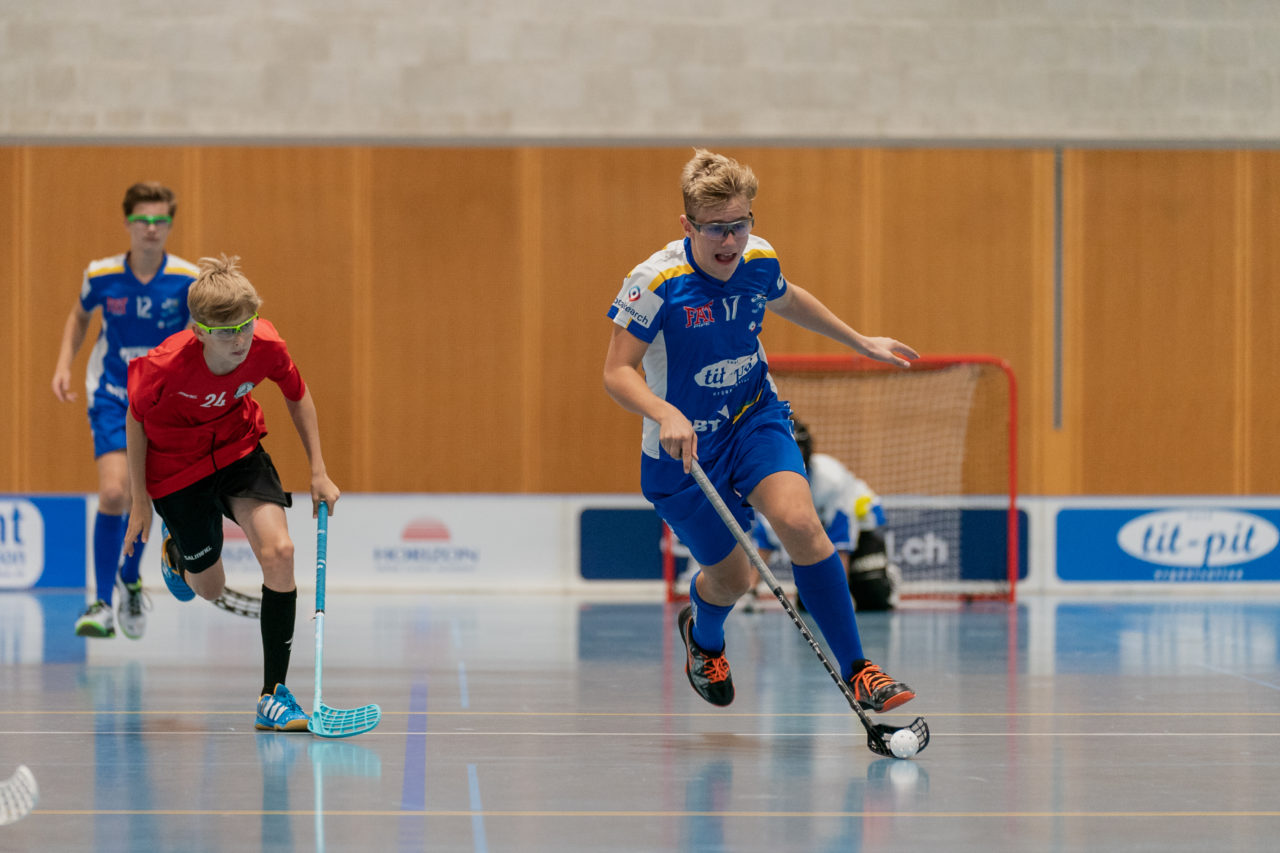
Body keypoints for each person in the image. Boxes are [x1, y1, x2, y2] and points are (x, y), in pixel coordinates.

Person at [603, 149, 919, 712]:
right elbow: (616, 372)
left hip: (754, 415)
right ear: (688, 226)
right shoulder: (656, 282)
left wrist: (860, 340)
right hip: (685, 452)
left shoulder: (756, 257)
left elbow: (787, 296)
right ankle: (703, 638)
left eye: (741, 225)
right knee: (733, 580)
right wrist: (663, 411)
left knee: (800, 520)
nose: (730, 242)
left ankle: (859, 669)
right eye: (716, 230)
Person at [122, 254, 340, 731]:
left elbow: (297, 394)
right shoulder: (162, 368)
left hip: (238, 450)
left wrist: (318, 471)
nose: (240, 340)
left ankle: (273, 697)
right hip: (177, 471)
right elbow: (136, 421)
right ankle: (178, 553)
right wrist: (140, 502)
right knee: (210, 588)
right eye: (226, 332)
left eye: (246, 325)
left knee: (280, 551)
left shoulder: (265, 344)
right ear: (200, 331)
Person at [52, 182, 198, 640]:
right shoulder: (101, 275)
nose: (151, 230)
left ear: (170, 225)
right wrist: (63, 365)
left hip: (162, 404)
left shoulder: (188, 279)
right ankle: (99, 602)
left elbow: (199, 339)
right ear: (128, 223)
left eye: (160, 221)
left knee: (143, 496)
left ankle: (131, 581)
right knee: (114, 494)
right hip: (113, 393)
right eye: (143, 220)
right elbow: (79, 316)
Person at [751, 417, 900, 613]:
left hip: (863, 524)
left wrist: (840, 596)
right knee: (807, 605)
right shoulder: (768, 485)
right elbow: (766, 541)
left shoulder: (831, 479)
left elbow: (842, 541)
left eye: (798, 448)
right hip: (817, 531)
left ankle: (885, 576)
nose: (792, 454)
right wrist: (751, 591)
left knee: (872, 596)